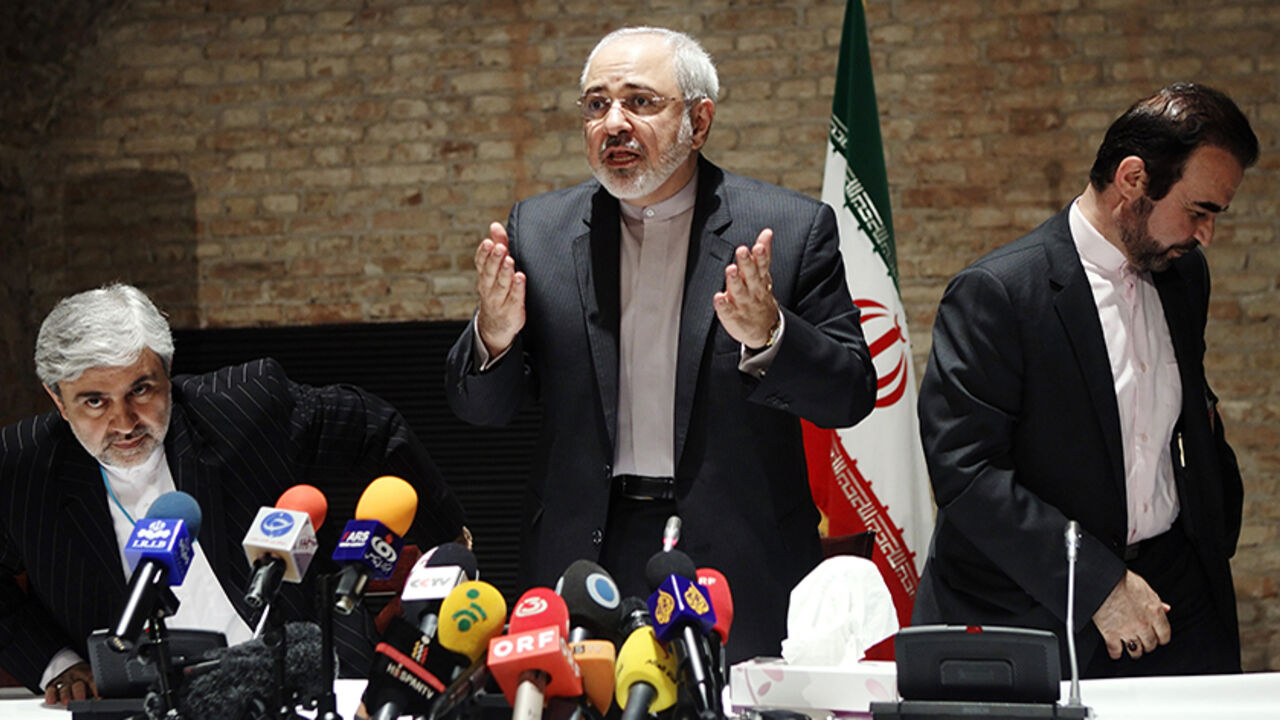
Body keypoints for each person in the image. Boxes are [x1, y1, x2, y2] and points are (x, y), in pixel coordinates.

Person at [445, 26, 876, 662]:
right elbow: (477, 409)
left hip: (739, 557)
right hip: (583, 551)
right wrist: (495, 336)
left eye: (640, 102)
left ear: (698, 122)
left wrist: (771, 336)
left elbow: (850, 395)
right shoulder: (537, 231)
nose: (613, 123)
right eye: (596, 105)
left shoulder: (787, 228)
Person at [914, 83, 1258, 677]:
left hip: (1178, 602)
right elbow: (965, 474)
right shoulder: (997, 293)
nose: (1205, 235)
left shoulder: (1184, 276)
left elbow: (1185, 415)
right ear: (1132, 180)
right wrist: (1097, 583)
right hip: (1037, 611)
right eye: (1199, 210)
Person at [0, 283, 468, 704]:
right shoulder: (23, 467)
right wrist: (56, 663)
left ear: (167, 373)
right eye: (94, 401)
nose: (123, 422)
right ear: (58, 399)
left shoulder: (242, 408)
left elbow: (374, 428)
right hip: (139, 700)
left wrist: (451, 544)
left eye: (141, 389)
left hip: (299, 678)